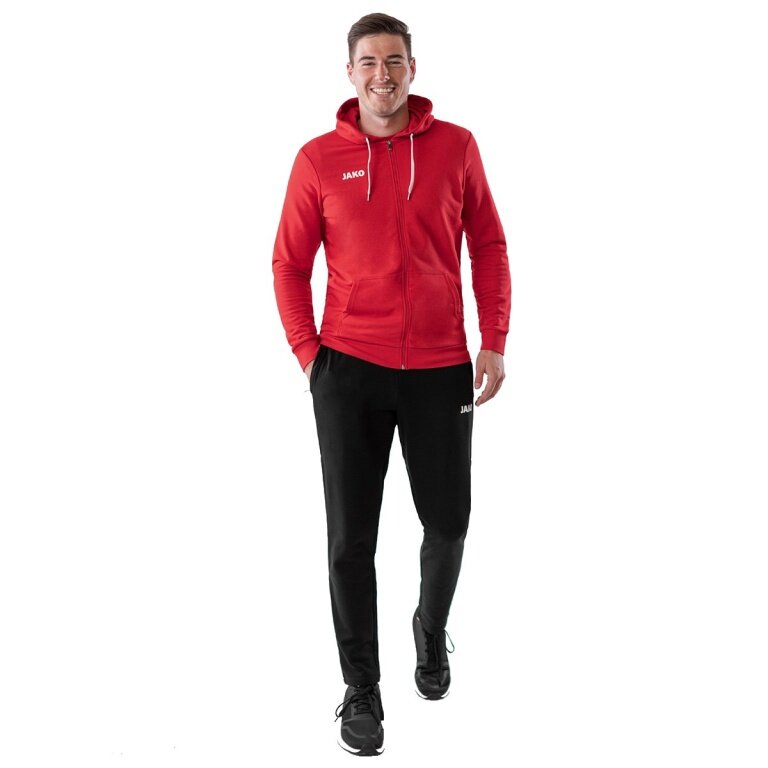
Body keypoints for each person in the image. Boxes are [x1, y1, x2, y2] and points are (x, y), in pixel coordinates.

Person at [272, 12, 511, 756]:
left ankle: (430, 629)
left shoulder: (456, 148)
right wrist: (310, 355)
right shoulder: (318, 160)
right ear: (350, 74)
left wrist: (493, 339)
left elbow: (488, 243)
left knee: (449, 523)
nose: (383, 75)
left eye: (395, 61)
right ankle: (362, 689)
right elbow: (288, 263)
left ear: (413, 68)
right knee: (351, 539)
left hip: (440, 366)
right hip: (349, 370)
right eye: (369, 62)